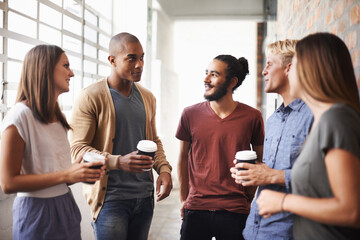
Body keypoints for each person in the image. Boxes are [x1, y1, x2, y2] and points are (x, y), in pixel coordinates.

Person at [69, 32, 173, 240]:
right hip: (110, 200)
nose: (139, 64)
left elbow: (154, 141)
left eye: (142, 57)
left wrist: (163, 169)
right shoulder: (90, 96)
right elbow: (78, 150)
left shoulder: (147, 98)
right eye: (131, 58)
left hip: (144, 197)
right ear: (112, 60)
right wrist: (119, 162)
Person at [257, 32, 360, 239]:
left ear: (312, 70)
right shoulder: (326, 120)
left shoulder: (337, 119)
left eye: (293, 65)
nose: (288, 71)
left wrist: (282, 202)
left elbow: (351, 211)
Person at [0, 45, 105, 240]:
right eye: (66, 65)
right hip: (36, 213)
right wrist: (66, 173)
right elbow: (8, 183)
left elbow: (54, 173)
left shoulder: (58, 118)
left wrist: (77, 173)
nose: (71, 73)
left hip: (65, 206)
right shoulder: (19, 117)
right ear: (45, 69)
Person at [230, 39, 313, 239]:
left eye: (269, 64)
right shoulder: (273, 120)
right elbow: (270, 170)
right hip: (255, 229)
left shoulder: (314, 115)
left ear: (289, 68)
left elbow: (325, 178)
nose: (263, 71)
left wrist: (271, 176)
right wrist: (253, 174)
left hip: (289, 231)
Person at [176, 55, 265, 240]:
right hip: (196, 209)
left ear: (232, 82)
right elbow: (183, 156)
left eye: (214, 74)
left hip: (235, 211)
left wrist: (248, 198)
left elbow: (259, 160)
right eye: (206, 73)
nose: (206, 79)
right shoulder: (190, 114)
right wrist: (184, 199)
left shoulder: (252, 117)